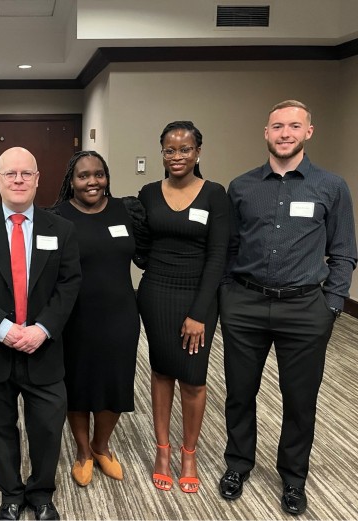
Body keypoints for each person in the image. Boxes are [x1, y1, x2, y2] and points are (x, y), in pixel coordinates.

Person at [219, 100, 356, 516]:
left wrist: (331, 305)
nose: (285, 133)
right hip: (245, 304)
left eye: (294, 126)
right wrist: (228, 295)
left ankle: (294, 478)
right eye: (277, 126)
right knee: (240, 393)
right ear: (266, 132)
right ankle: (238, 464)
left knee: (300, 400)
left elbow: (345, 252)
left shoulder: (331, 186)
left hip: (304, 309)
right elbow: (228, 247)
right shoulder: (241, 186)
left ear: (308, 132)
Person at [0, 147, 81, 521]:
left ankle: (41, 494)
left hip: (43, 349)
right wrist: (4, 329)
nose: (19, 180)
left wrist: (41, 329)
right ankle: (10, 494)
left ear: (38, 179)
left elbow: (69, 285)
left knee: (46, 428)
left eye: (27, 173)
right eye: (10, 174)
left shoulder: (61, 228)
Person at [137, 121, 229, 494]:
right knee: (161, 371)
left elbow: (218, 256)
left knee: (193, 377)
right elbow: (141, 245)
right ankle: (163, 451)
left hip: (199, 296)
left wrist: (199, 313)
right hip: (156, 292)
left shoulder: (214, 195)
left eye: (185, 149)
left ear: (198, 152)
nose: (177, 156)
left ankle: (188, 454)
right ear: (162, 152)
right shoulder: (147, 193)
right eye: (170, 150)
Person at [51, 151, 148, 487]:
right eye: (83, 176)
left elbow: (147, 255)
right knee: (77, 384)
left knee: (115, 382)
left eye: (98, 174)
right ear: (71, 181)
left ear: (106, 177)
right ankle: (82, 452)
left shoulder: (127, 210)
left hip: (121, 314)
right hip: (74, 317)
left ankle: (102, 446)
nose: (92, 181)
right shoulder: (57, 217)